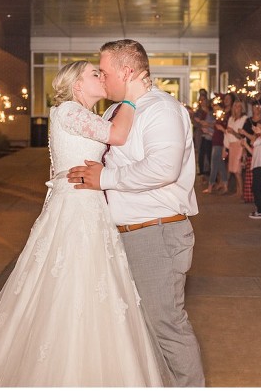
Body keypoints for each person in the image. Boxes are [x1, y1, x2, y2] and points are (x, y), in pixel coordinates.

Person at [0, 60, 162, 386]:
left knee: (95, 284)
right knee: (71, 281)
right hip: (76, 208)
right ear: (77, 84)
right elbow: (117, 135)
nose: (101, 76)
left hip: (89, 204)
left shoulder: (85, 114)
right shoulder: (68, 111)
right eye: (95, 73)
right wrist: (133, 96)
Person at [67, 39, 205, 386]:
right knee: (138, 329)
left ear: (127, 71)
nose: (103, 77)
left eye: (106, 71)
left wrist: (105, 179)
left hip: (155, 232)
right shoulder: (117, 111)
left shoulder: (162, 110)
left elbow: (164, 168)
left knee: (165, 325)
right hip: (124, 233)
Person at [224, 99, 247, 197]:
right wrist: (225, 147)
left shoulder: (244, 119)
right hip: (232, 145)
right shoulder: (231, 119)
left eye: (239, 106)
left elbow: (242, 135)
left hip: (239, 144)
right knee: (233, 169)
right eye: (235, 106)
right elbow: (227, 134)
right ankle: (238, 190)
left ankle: (241, 191)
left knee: (238, 170)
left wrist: (233, 132)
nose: (237, 108)